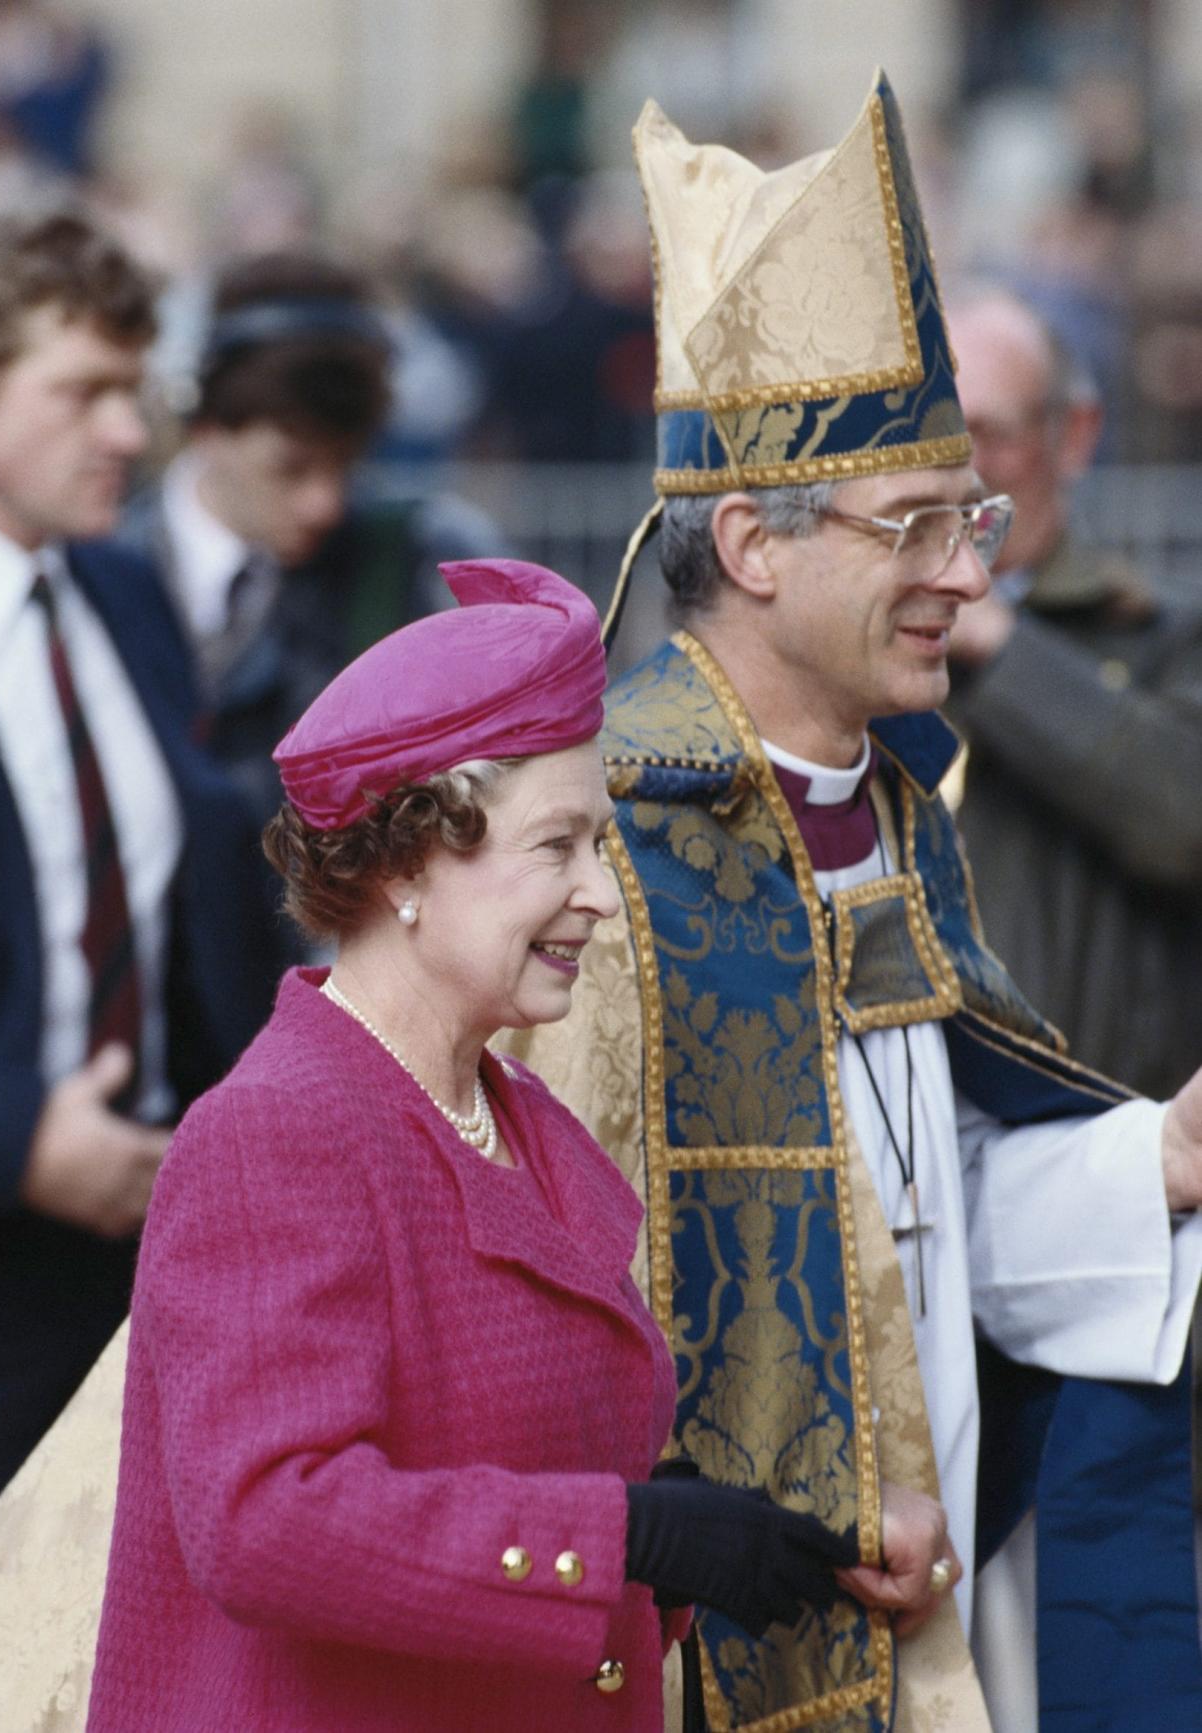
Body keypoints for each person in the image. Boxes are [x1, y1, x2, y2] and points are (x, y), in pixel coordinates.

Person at [503, 73, 1202, 1733]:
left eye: (968, 518)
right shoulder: (597, 853)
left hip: (916, 1607)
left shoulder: (899, 810)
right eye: (918, 527)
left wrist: (1147, 1159)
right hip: (681, 1637)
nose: (971, 574)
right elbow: (533, 1326)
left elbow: (917, 1211)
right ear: (751, 541)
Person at [83, 558, 865, 1732]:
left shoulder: (520, 1117)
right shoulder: (277, 1129)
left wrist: (680, 1533)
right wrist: (622, 1532)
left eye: (600, 843)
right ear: (405, 862)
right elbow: (265, 1519)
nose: (602, 894)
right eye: (558, 847)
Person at [0, 203, 278, 1545]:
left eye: (134, 393)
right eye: (80, 391)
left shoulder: (126, 600)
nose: (127, 435)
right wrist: (13, 1136)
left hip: (153, 1260)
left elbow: (197, 910)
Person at [117, 249, 505, 827]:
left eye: (345, 466)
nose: (324, 503)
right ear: (206, 430)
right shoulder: (106, 564)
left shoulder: (418, 559)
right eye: (291, 468)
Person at [944, 284, 1202, 1097]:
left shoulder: (1161, 629)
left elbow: (1185, 817)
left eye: (989, 434)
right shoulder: (856, 643)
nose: (959, 474)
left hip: (1105, 1137)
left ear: (1074, 437)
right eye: (932, 437)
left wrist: (999, 644)